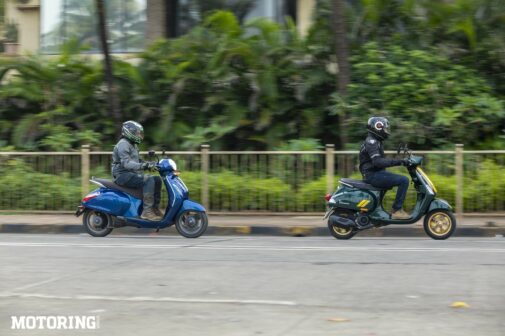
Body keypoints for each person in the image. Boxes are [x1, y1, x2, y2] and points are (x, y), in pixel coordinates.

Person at [359, 117, 411, 220]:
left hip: (374, 173)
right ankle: (397, 210)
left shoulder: (376, 141)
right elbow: (377, 162)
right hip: (372, 175)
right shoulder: (372, 142)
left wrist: (399, 160)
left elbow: (380, 161)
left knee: (397, 178)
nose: (386, 131)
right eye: (385, 129)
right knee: (404, 180)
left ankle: (380, 211)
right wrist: (400, 161)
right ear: (378, 127)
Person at [112, 121, 163, 221]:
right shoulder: (123, 144)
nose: (139, 135)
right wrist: (143, 166)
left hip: (130, 173)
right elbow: (126, 163)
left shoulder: (133, 145)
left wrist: (150, 164)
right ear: (129, 132)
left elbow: (137, 161)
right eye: (137, 133)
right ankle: (146, 212)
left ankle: (154, 208)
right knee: (148, 180)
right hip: (122, 175)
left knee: (157, 179)